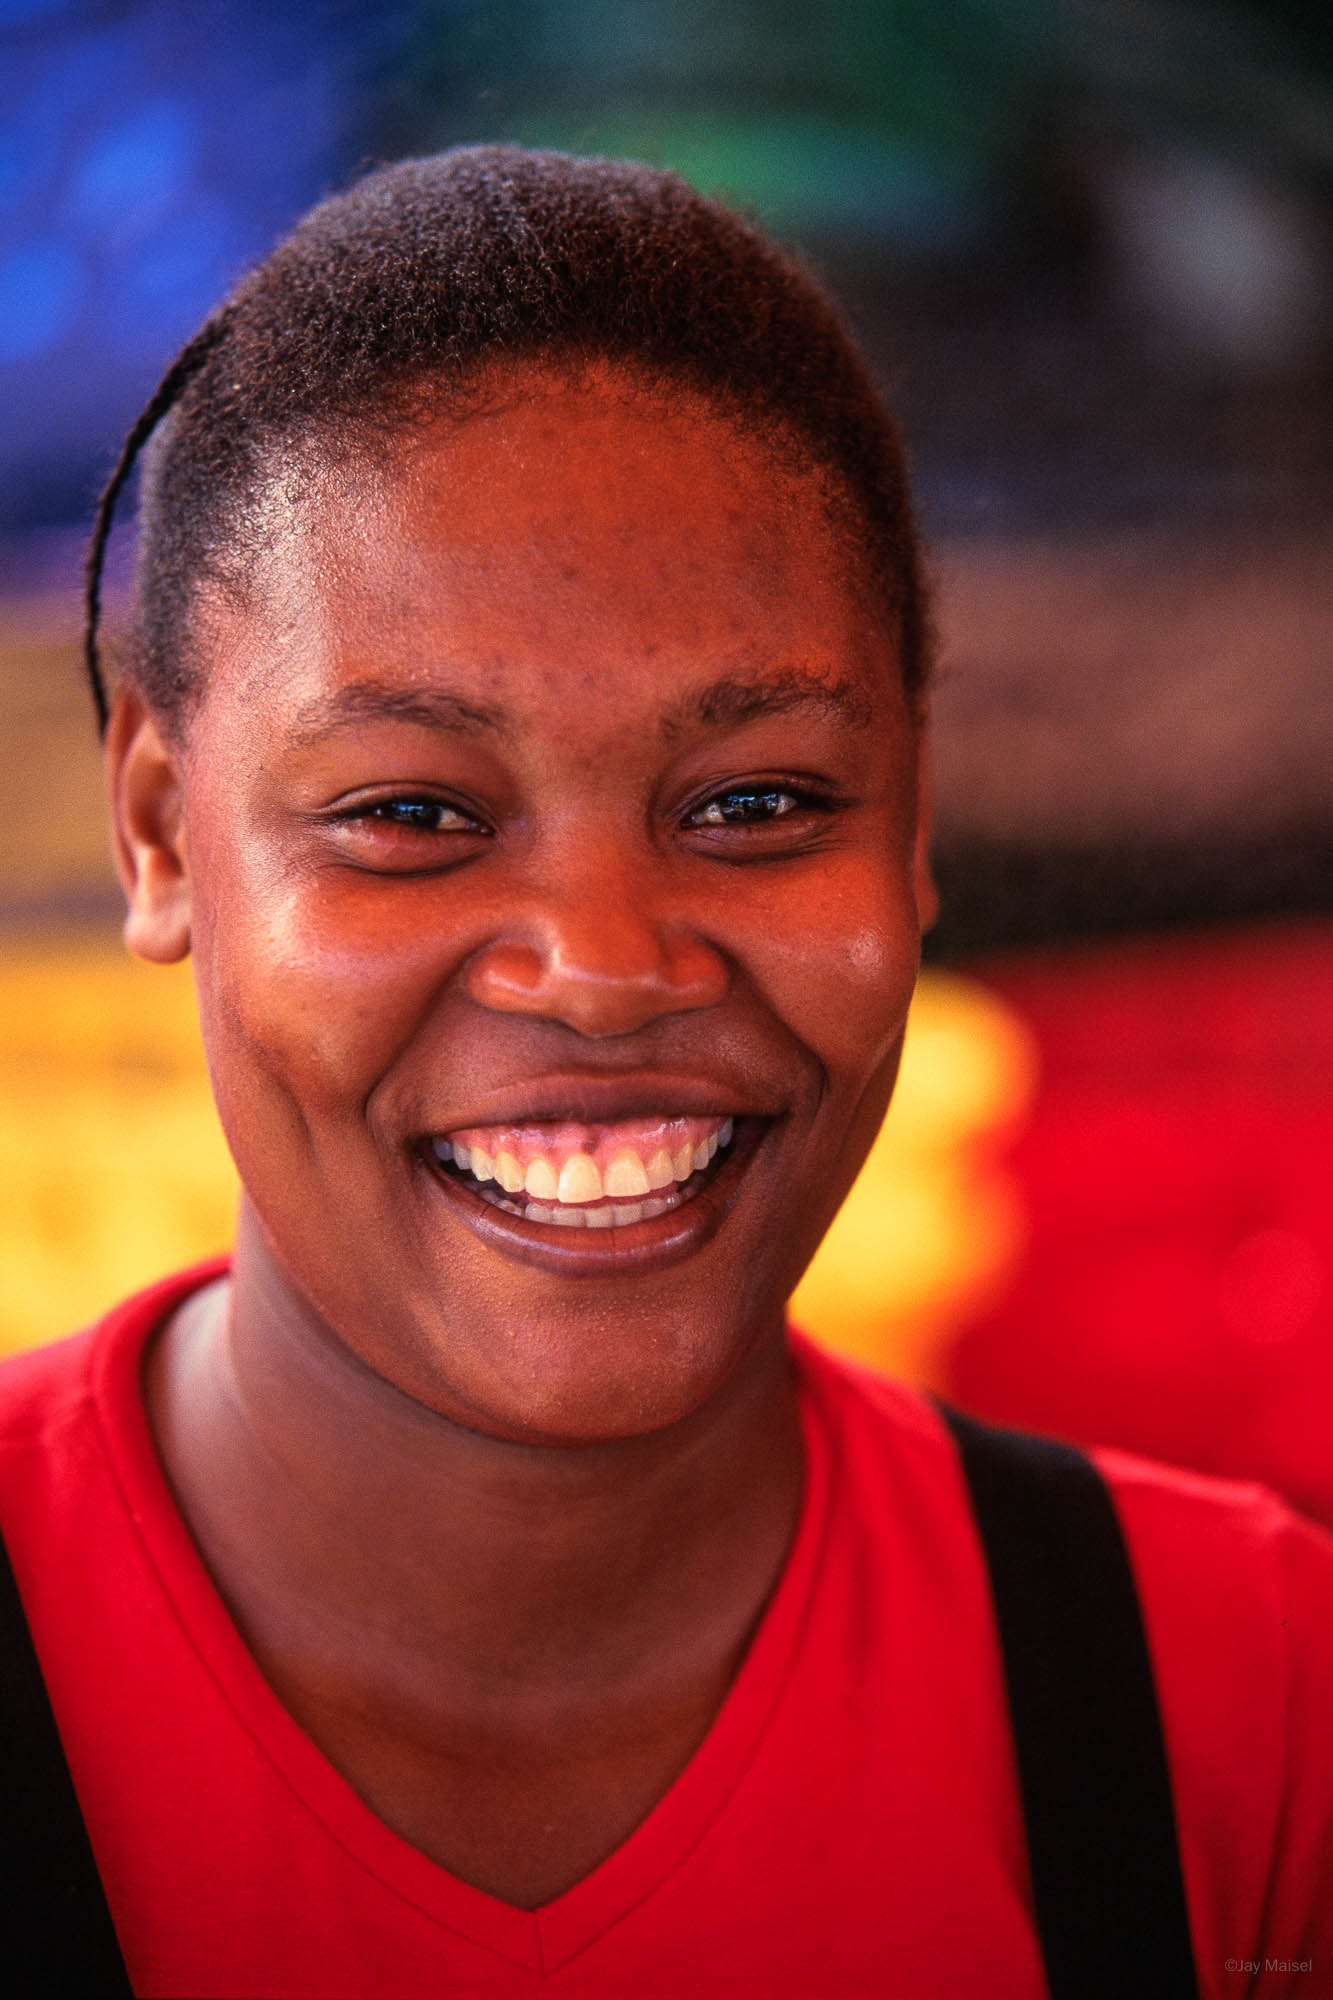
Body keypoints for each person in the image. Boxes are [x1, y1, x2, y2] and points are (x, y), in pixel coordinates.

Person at [0, 145, 1329, 1999]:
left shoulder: (1251, 1711)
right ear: (158, 833)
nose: (607, 968)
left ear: (913, 824)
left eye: (756, 803)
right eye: (412, 814)